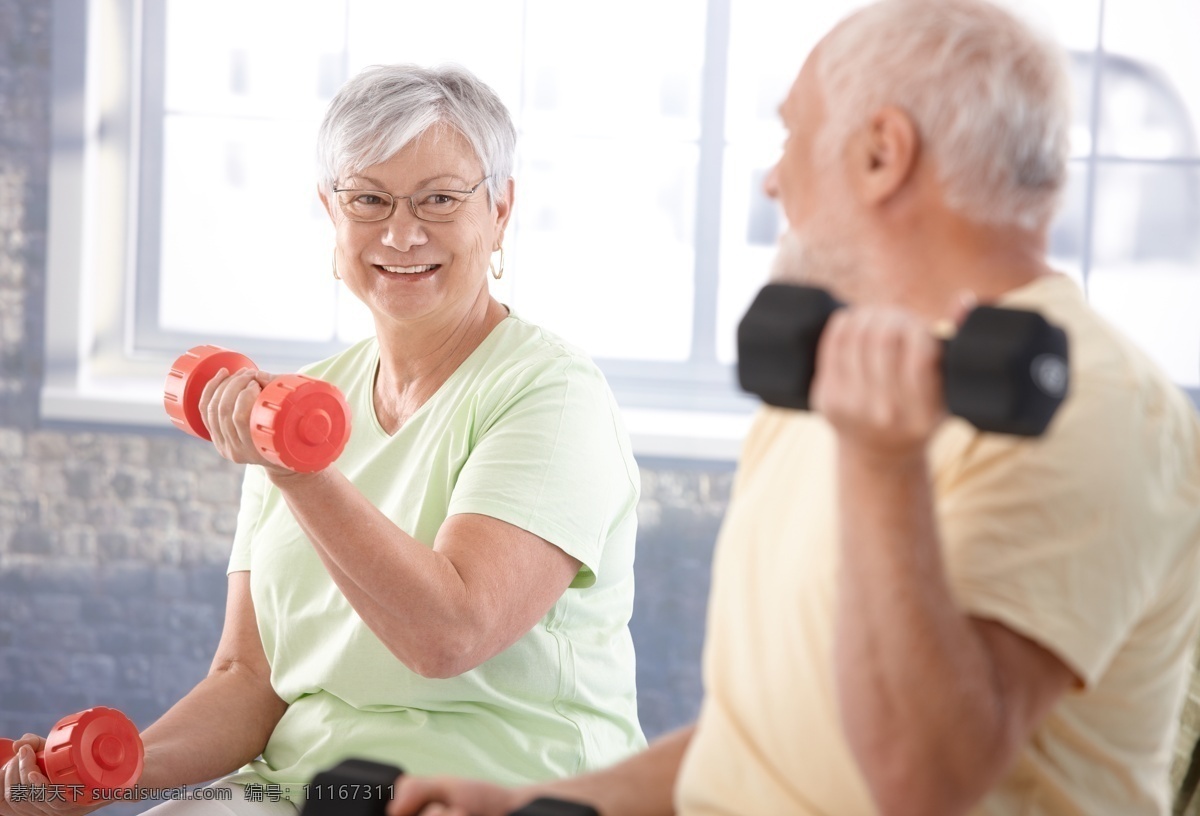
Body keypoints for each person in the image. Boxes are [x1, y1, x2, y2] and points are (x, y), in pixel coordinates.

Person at [384, 1, 1200, 814]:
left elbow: (923, 783)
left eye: (792, 137)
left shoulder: (1092, 405)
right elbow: (757, 751)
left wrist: (882, 464)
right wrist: (538, 805)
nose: (774, 180)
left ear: (883, 154)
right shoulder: (829, 384)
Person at [0, 63, 645, 815]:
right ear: (330, 212)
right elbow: (246, 680)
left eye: (440, 198)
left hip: (494, 789)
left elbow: (449, 637)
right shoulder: (302, 403)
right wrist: (101, 781)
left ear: (500, 210)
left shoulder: (552, 394)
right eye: (368, 199)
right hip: (297, 789)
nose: (401, 232)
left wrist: (301, 474)